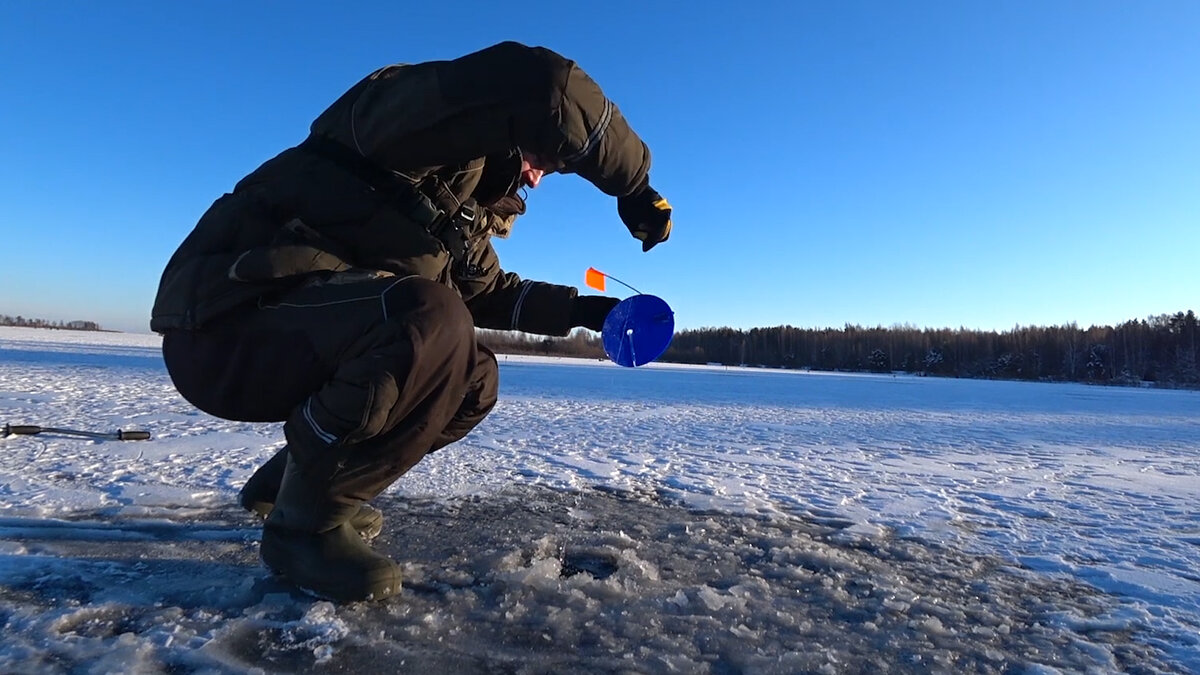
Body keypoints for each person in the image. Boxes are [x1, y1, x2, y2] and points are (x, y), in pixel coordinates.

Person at [150, 41, 673, 602]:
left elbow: (490, 293)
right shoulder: (397, 122)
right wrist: (634, 185)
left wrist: (587, 311)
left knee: (474, 378)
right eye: (544, 162)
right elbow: (545, 85)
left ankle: (293, 487)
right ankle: (303, 529)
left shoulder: (458, 214)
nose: (539, 179)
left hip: (293, 334)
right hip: (224, 326)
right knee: (431, 321)